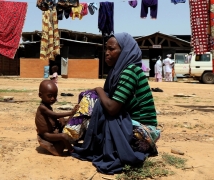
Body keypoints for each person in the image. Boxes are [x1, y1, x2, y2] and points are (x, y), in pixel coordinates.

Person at [70, 32, 160, 174]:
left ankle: (68, 135)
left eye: (111, 49)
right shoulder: (119, 71)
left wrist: (98, 90)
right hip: (131, 124)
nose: (106, 53)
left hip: (142, 133)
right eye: (106, 49)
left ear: (124, 51)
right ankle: (70, 132)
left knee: (95, 101)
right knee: (94, 102)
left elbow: (112, 108)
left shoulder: (130, 72)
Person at [35, 80, 79, 156]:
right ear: (40, 95)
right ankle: (71, 151)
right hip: (47, 135)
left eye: (55, 96)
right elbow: (54, 115)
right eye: (50, 96)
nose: (53, 98)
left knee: (64, 121)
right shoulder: (42, 108)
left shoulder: (48, 107)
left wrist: (70, 116)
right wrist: (70, 113)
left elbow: (54, 118)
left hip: (53, 130)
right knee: (64, 136)